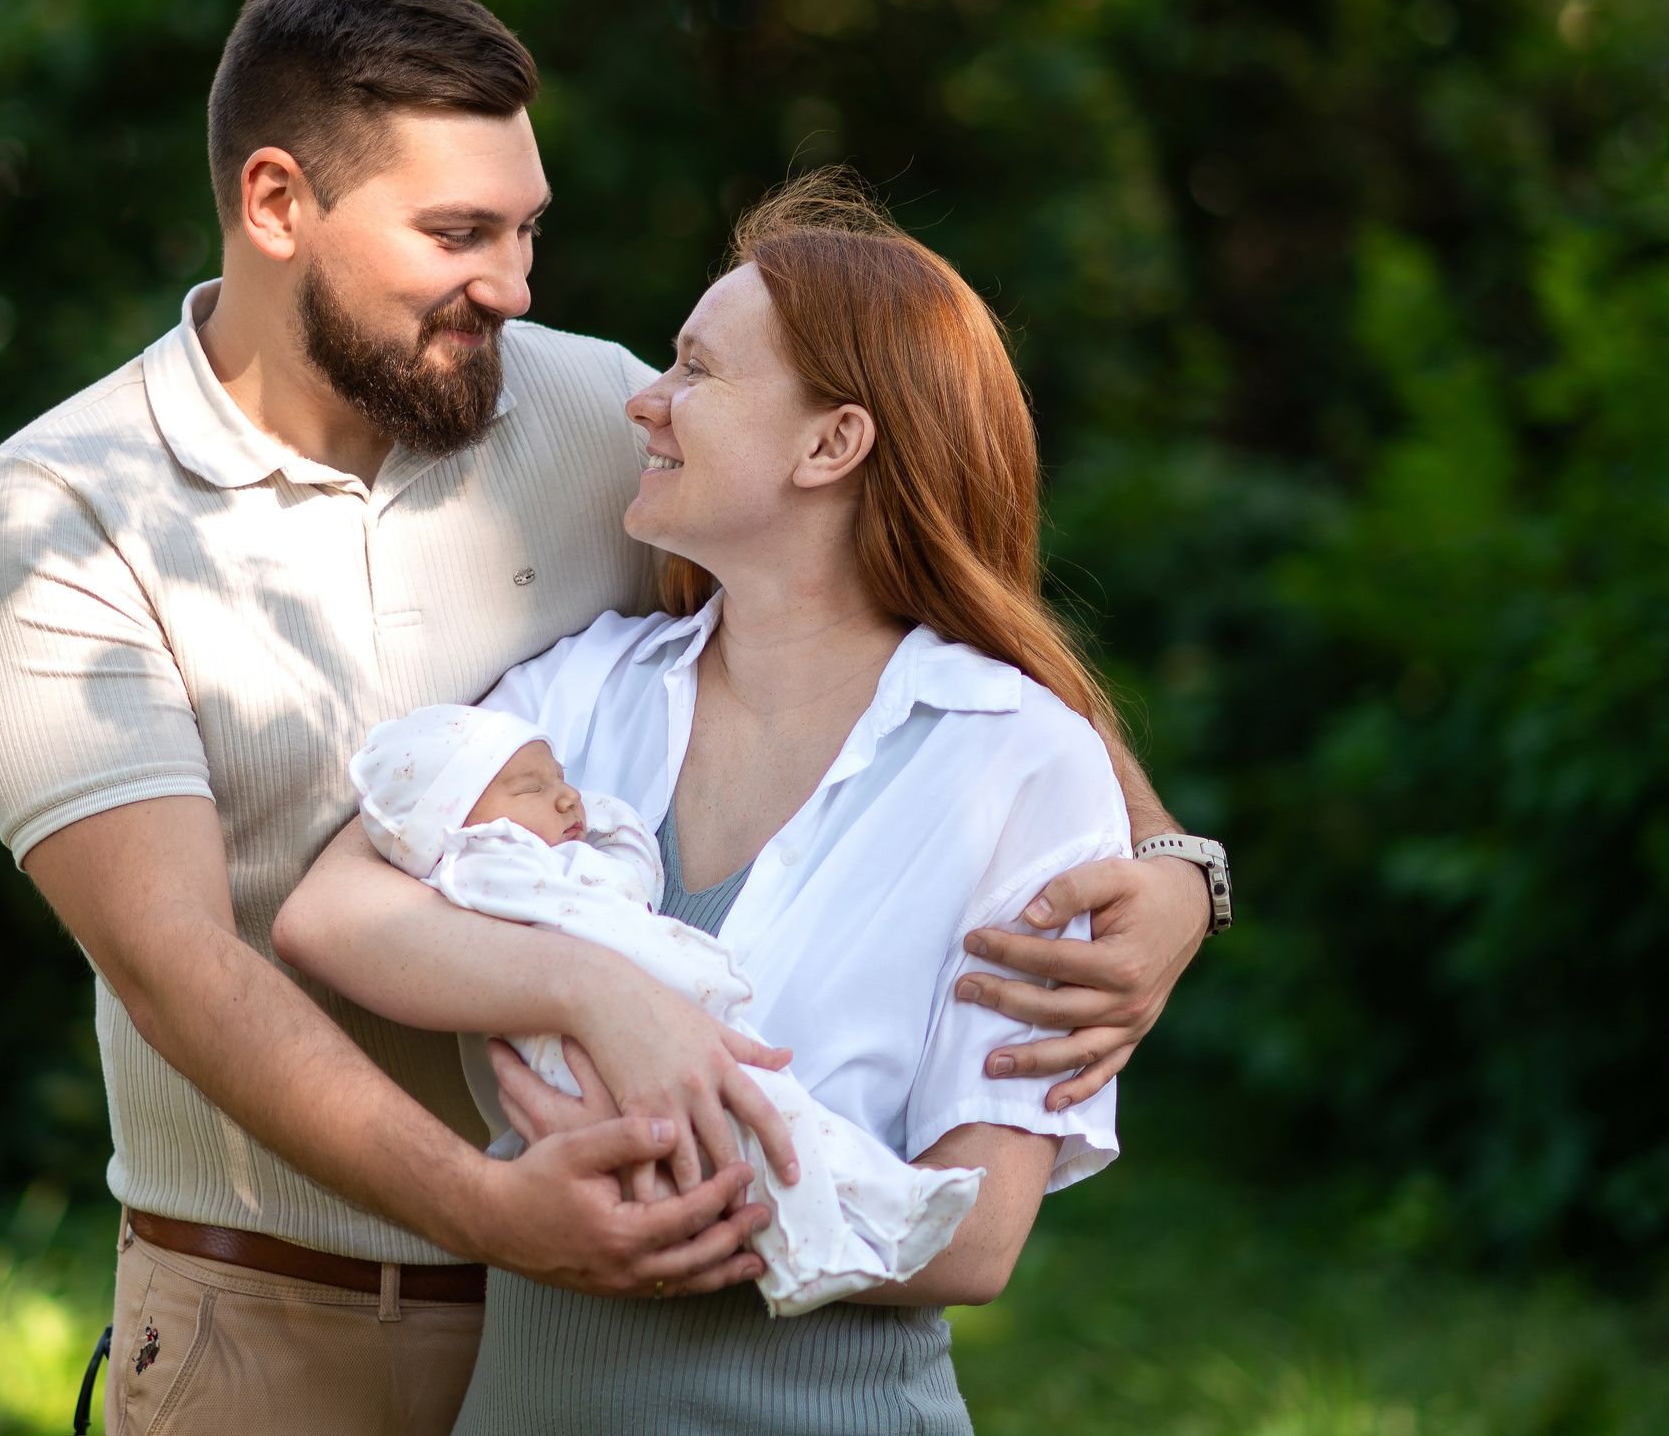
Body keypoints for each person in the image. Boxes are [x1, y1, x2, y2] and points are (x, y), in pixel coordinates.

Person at [0, 0, 1217, 1436]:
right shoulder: (65, 506)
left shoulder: (584, 413)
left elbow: (924, 627)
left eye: (527, 229)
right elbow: (184, 967)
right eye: (458, 232)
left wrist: (1175, 870)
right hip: (279, 1323)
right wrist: (502, 1205)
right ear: (279, 205)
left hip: (599, 1337)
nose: (515, 284)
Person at [274, 175, 1146, 1433]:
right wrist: (596, 997)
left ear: (829, 444)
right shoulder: (577, 689)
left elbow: (977, 1235)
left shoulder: (1017, 760)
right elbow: (330, 911)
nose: (646, 398)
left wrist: (658, 1211)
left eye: (695, 370)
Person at [349, 702, 983, 1316]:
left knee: (763, 1114)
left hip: (620, 1029)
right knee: (752, 1118)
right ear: (459, 822)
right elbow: (623, 887)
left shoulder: (535, 862)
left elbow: (629, 875)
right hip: (578, 1047)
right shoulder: (483, 869)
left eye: (564, 780)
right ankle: (843, 1226)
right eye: (531, 787)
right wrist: (610, 827)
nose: (569, 798)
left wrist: (594, 820)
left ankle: (850, 1217)